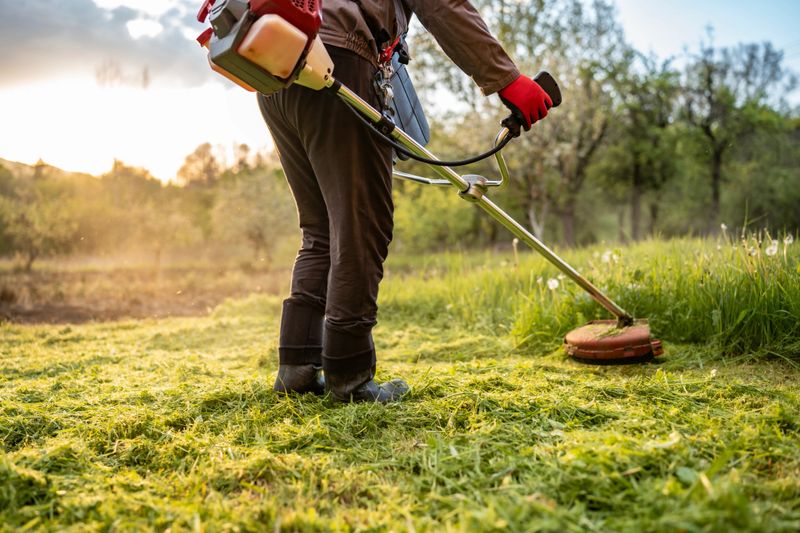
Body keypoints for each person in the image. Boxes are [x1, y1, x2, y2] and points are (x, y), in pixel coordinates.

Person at [259, 0, 552, 403]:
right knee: (362, 223)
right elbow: (443, 5)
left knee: (322, 229)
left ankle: (297, 367)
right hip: (337, 57)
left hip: (276, 67)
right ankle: (350, 377)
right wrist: (507, 78)